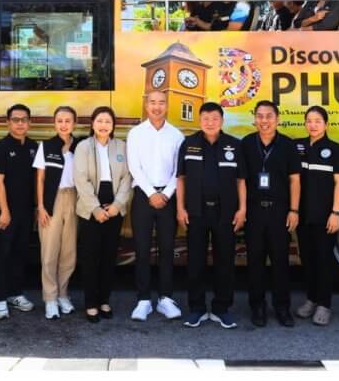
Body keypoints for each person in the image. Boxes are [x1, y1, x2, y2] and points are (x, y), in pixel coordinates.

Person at [176, 102, 247, 328]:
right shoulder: (188, 144)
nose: (210, 122)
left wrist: (242, 209)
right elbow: (181, 179)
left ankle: (221, 308)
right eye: (205, 118)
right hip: (196, 212)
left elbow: (241, 180)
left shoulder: (234, 145)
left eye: (214, 118)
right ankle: (196, 308)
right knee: (195, 262)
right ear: (199, 120)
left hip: (225, 212)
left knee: (224, 262)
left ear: (222, 121)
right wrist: (180, 208)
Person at [240, 101, 299, 328]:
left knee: (280, 261)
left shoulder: (287, 145)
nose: (264, 120)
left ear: (278, 119)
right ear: (254, 119)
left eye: (269, 116)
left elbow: (295, 180)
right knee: (254, 261)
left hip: (279, 211)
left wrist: (294, 210)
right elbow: (241, 180)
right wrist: (243, 209)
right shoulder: (246, 144)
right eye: (260, 116)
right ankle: (258, 306)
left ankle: (282, 307)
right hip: (254, 211)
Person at [127, 91, 185, 322]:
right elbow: (134, 166)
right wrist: (151, 193)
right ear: (145, 104)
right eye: (153, 102)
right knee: (141, 249)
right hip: (143, 196)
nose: (157, 107)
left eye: (161, 103)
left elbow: (178, 171)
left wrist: (166, 194)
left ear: (167, 106)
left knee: (167, 249)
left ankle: (165, 299)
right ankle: (143, 300)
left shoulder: (177, 135)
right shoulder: (136, 133)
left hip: (168, 197)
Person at [74, 107, 133, 322]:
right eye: (100, 120)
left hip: (115, 207)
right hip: (91, 209)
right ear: (92, 123)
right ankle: (90, 303)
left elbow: (128, 177)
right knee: (90, 258)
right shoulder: (83, 147)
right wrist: (96, 208)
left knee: (109, 257)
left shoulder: (121, 147)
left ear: (113, 125)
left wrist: (118, 204)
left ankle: (104, 300)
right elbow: (81, 180)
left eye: (108, 121)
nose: (104, 125)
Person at [294, 106, 339, 325]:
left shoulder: (335, 150)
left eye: (317, 121)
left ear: (326, 124)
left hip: (325, 216)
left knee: (324, 260)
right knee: (307, 259)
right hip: (302, 216)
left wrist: (336, 212)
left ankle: (325, 304)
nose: (312, 125)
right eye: (309, 121)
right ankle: (311, 299)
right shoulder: (298, 147)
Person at [34, 106, 82, 320]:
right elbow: (40, 179)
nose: (63, 124)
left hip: (74, 199)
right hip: (52, 200)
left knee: (69, 253)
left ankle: (63, 294)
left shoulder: (80, 145)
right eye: (59, 120)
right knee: (49, 253)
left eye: (67, 120)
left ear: (74, 123)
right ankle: (50, 298)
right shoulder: (46, 146)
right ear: (54, 123)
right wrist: (41, 206)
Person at [0, 104, 38, 319]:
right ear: (8, 122)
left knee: (20, 254)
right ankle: (0, 299)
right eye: (16, 119)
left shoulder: (34, 147)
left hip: (27, 212)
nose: (20, 123)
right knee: (3, 255)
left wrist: (38, 208)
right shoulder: (1, 147)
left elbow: (39, 181)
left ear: (29, 123)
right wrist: (4, 211)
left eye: (24, 119)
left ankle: (15, 294)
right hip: (6, 213)